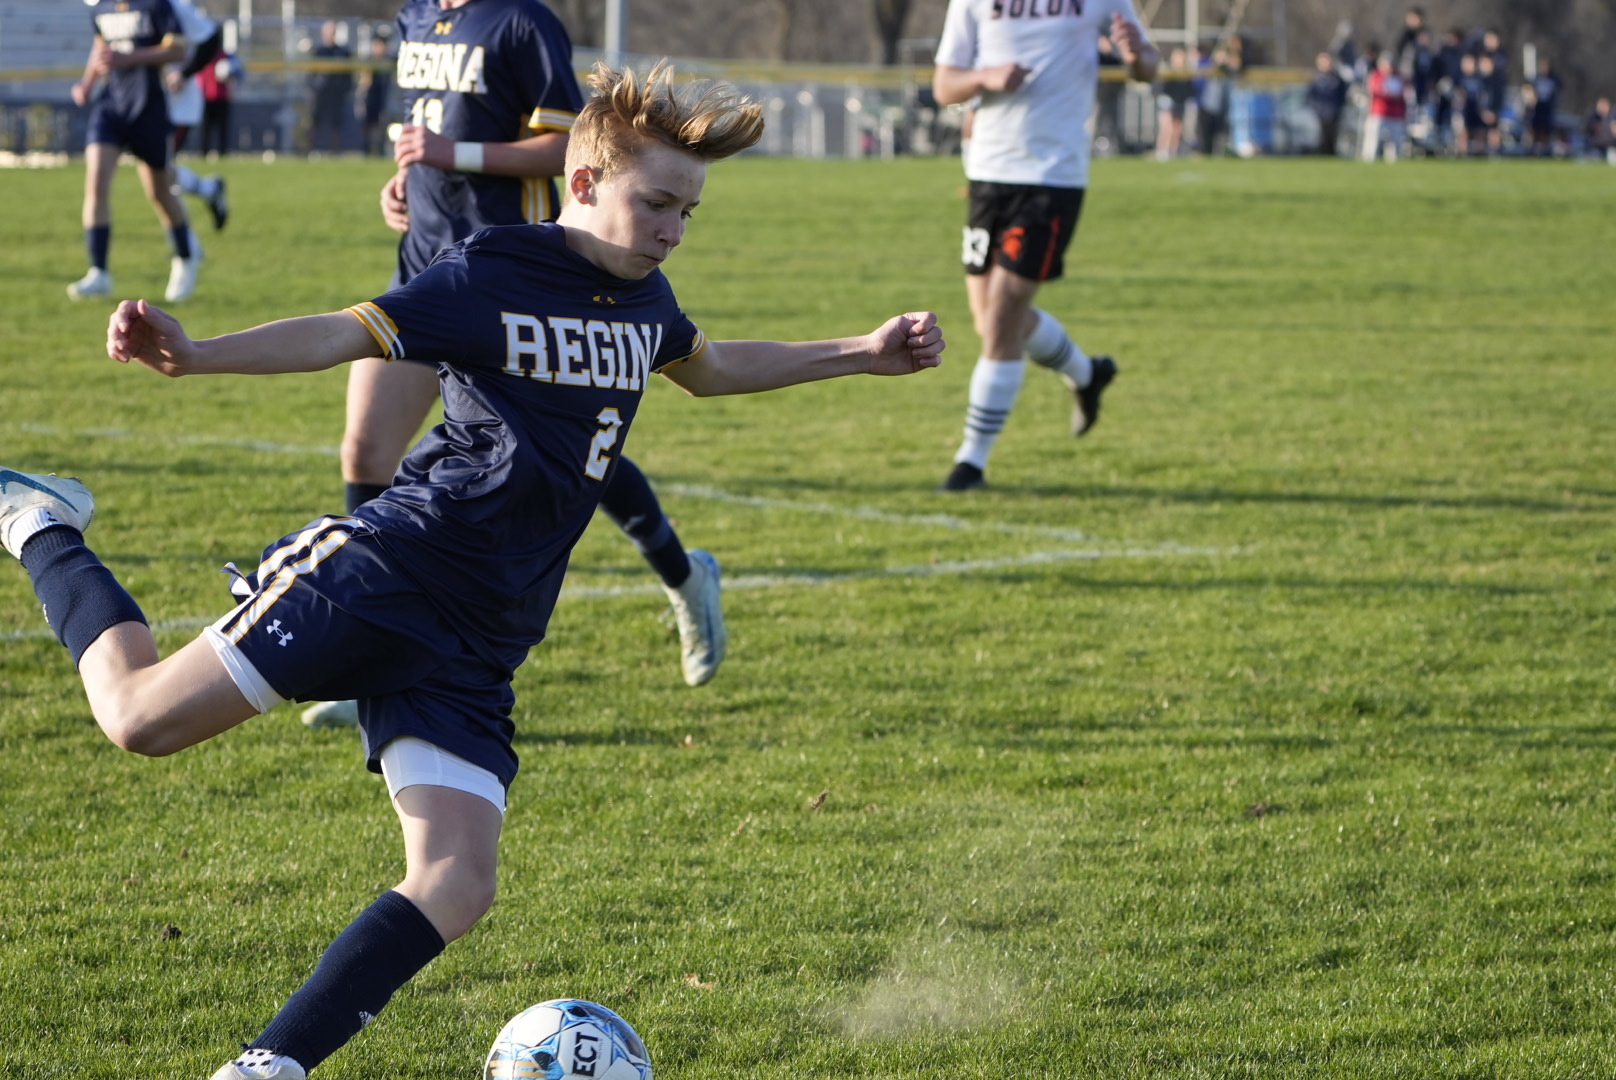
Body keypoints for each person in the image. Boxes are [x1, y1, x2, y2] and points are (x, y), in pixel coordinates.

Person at [0, 60, 944, 1080]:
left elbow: (712, 371)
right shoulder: (491, 270)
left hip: (485, 635)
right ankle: (42, 522)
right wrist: (199, 351)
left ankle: (266, 1068)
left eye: (688, 210)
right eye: (657, 202)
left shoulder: (647, 302)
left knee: (455, 881)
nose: (673, 226)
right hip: (390, 572)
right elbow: (346, 330)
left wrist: (862, 350)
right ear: (582, 185)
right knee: (138, 718)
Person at [301, 0, 726, 734]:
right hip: (431, 269)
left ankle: (685, 577)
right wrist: (408, 183)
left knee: (553, 457)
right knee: (365, 449)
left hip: (518, 282)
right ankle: (372, 649)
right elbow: (432, 135)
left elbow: (567, 152)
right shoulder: (415, 20)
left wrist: (449, 158)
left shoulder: (522, 22)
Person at [931, 0, 1156, 493]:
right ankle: (1086, 373)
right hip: (988, 173)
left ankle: (972, 461)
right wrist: (985, 77)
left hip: (1052, 176)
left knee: (1004, 315)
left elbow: (1148, 68)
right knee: (990, 321)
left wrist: (1137, 55)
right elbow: (945, 86)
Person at [66, 0, 201, 303]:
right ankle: (99, 271)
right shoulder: (100, 8)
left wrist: (129, 58)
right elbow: (100, 49)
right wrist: (87, 83)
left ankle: (185, 257)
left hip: (148, 109)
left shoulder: (156, 5)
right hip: (110, 106)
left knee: (160, 193)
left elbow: (178, 51)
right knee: (96, 183)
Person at [164, 0, 229, 231]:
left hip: (177, 104)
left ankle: (185, 248)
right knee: (159, 172)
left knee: (160, 172)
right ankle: (209, 189)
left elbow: (211, 38)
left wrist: (184, 73)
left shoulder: (173, 6)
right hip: (143, 103)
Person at [307, 20, 354, 153]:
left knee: (337, 124)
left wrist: (345, 89)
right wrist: (313, 88)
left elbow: (348, 75)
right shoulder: (318, 51)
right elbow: (311, 73)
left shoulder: (343, 52)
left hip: (336, 93)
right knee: (315, 122)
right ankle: (310, 151)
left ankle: (335, 151)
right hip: (321, 92)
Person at [1361, 50, 1409, 162]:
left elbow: (1404, 93)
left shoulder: (1400, 77)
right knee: (1373, 142)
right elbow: (1377, 91)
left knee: (1395, 144)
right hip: (1379, 114)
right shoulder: (1376, 76)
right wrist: (1391, 95)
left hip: (1396, 115)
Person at [197, 45, 242, 158]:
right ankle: (204, 152)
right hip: (206, 97)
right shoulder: (203, 54)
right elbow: (198, 74)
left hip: (222, 97)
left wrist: (231, 75)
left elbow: (239, 73)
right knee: (206, 128)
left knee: (223, 127)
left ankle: (223, 152)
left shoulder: (227, 56)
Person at [356, 30, 392, 158]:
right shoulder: (370, 61)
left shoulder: (389, 61)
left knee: (381, 126)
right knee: (367, 125)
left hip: (384, 99)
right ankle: (365, 150)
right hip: (370, 98)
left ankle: (380, 151)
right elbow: (364, 83)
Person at [1153, 46, 1193, 161]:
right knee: (1167, 127)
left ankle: (1173, 151)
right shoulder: (1167, 71)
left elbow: (1190, 90)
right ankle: (1162, 151)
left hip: (1179, 102)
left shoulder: (1185, 73)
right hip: (1167, 102)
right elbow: (1158, 88)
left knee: (1177, 128)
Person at [1305, 50, 1347, 156]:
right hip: (1320, 114)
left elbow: (1342, 95)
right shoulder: (1316, 79)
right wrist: (1317, 109)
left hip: (1333, 113)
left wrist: (1338, 107)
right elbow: (1310, 97)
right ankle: (1320, 154)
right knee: (1321, 138)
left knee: (1332, 137)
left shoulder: (1337, 79)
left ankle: (1331, 155)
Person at [1526, 57, 1561, 156]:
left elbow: (1558, 92)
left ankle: (1544, 150)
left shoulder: (1554, 79)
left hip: (1548, 109)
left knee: (1545, 131)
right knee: (1534, 130)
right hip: (1537, 109)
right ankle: (1533, 150)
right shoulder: (1536, 79)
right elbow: (1528, 90)